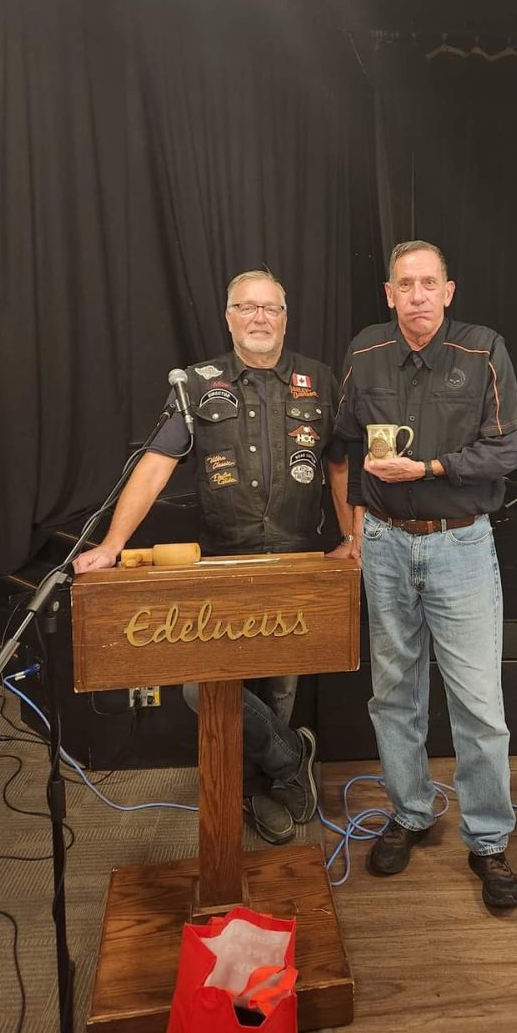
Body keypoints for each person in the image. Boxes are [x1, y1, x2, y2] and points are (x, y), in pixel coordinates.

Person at [74, 269, 354, 844]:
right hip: (223, 563)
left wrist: (354, 538)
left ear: (285, 318)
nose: (259, 318)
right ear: (228, 317)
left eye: (270, 308)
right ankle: (288, 761)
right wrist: (111, 544)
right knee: (204, 687)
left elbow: (339, 466)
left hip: (295, 562)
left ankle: (259, 787)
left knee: (280, 687)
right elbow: (155, 465)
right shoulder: (197, 385)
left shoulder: (320, 380)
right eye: (246, 307)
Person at [335, 240, 517, 910]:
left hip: (459, 544)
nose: (416, 295)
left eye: (428, 283)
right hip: (385, 545)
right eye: (404, 284)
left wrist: (431, 468)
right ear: (389, 294)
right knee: (394, 696)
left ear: (448, 291)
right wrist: (353, 528)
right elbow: (344, 442)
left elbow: (509, 448)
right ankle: (411, 812)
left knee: (479, 705)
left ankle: (489, 839)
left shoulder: (483, 349)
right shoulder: (364, 351)